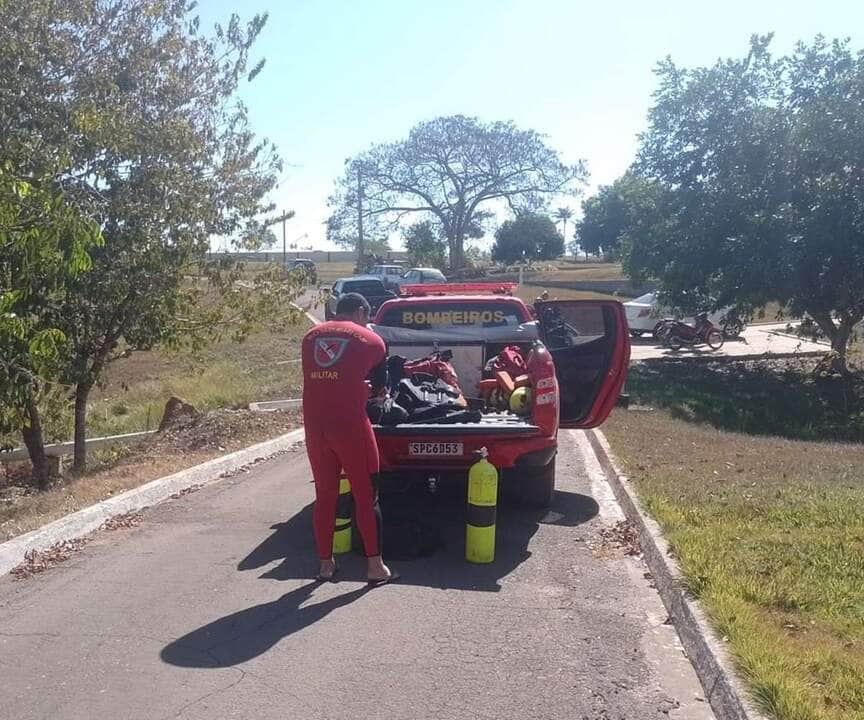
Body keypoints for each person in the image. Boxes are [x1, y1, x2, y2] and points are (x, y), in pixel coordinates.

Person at [301, 292, 398, 585]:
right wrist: (371, 391)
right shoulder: (371, 340)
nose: (367, 321)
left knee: (325, 497)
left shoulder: (310, 337)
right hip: (351, 428)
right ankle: (375, 567)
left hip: (315, 428)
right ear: (359, 311)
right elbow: (381, 388)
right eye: (367, 315)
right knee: (367, 497)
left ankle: (325, 565)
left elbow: (329, 375)